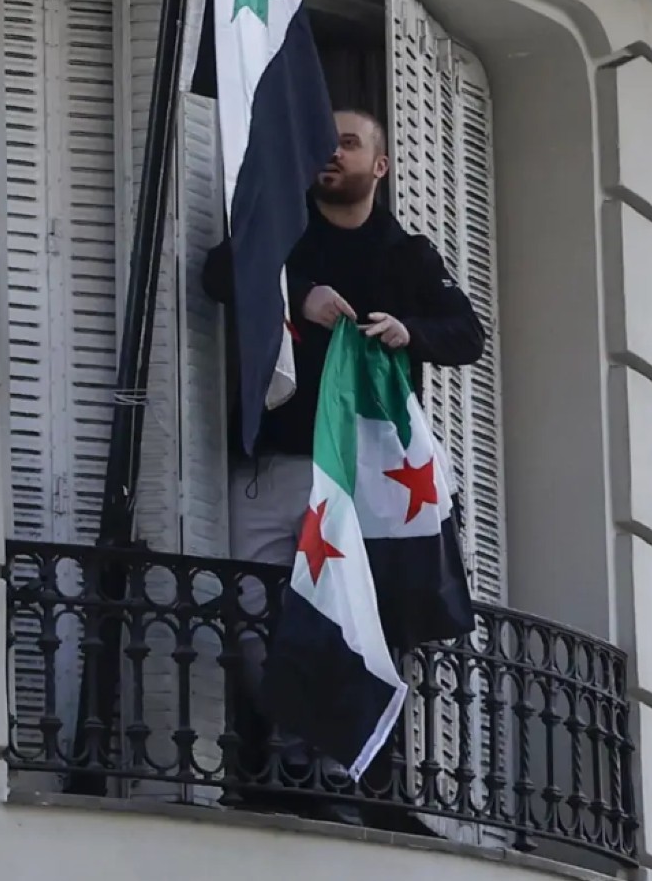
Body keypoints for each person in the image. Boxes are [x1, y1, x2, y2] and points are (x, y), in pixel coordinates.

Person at [200, 108, 485, 825]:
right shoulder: (284, 231)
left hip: (361, 479)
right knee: (257, 617)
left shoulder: (407, 254)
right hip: (276, 465)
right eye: (323, 141)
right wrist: (297, 296)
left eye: (349, 143)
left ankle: (336, 764)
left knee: (357, 617)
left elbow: (467, 335)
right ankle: (286, 749)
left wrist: (405, 330)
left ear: (379, 167)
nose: (331, 152)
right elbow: (217, 272)